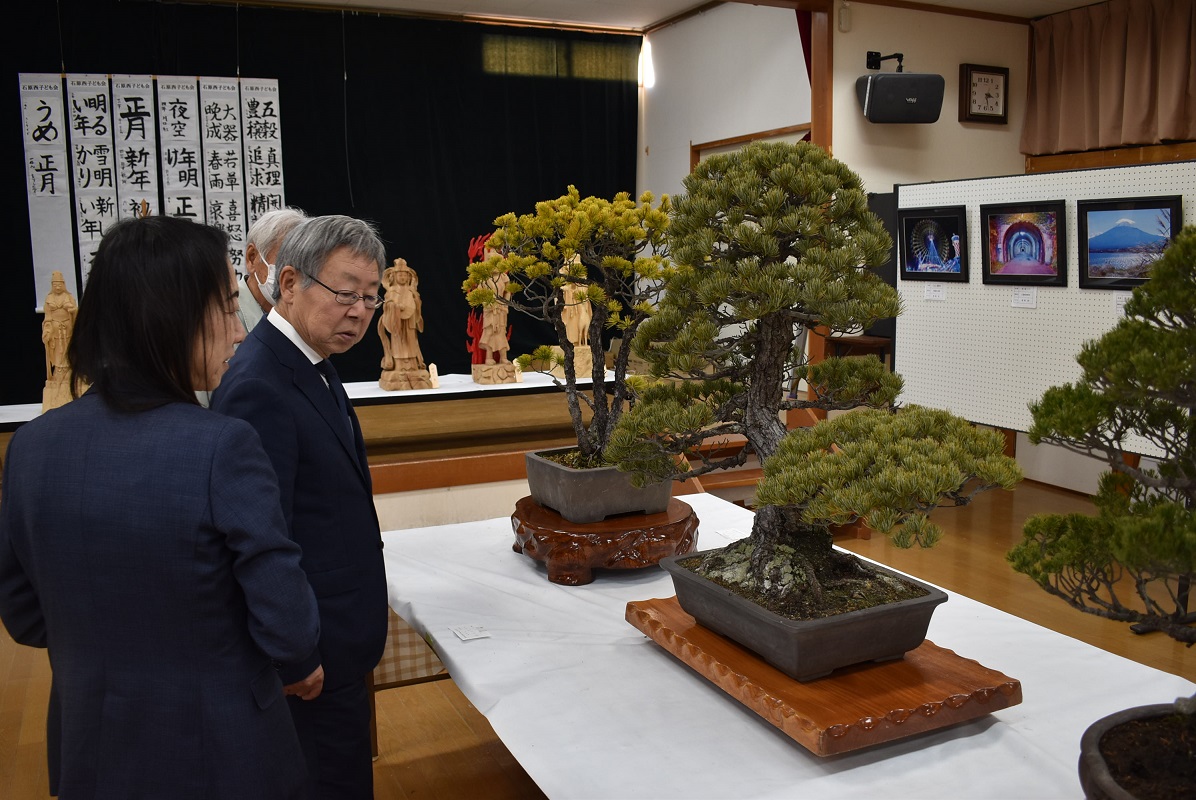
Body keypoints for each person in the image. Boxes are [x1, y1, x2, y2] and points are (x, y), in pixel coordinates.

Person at [0, 216, 321, 798]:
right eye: (228, 309)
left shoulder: (30, 447)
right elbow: (287, 620)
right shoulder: (221, 446)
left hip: (89, 743)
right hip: (220, 746)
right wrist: (299, 661)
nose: (239, 332)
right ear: (172, 319)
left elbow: (23, 614)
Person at [211, 215, 389, 799]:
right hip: (311, 653)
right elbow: (257, 539)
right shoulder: (259, 382)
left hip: (336, 638)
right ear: (289, 283)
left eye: (371, 297)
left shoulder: (312, 360)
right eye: (345, 293)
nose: (360, 311)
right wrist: (292, 654)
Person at [238, 207, 309, 335]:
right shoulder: (221, 314)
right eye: (284, 261)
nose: (290, 276)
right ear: (252, 258)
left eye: (302, 265)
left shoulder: (304, 318)